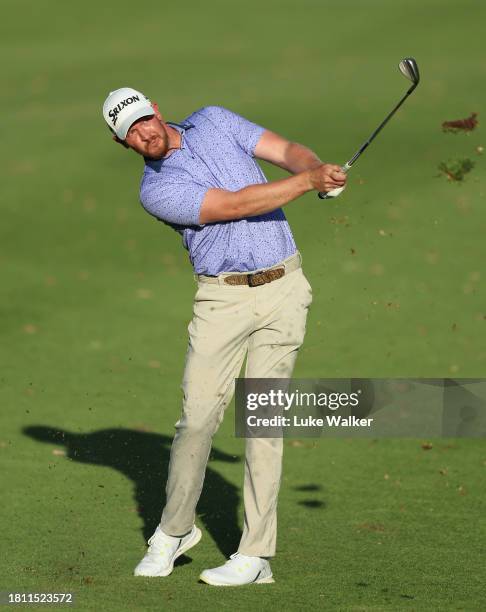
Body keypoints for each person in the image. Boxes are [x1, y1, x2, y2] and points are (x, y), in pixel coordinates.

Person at [102, 87, 347, 586]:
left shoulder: (214, 121)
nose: (143, 133)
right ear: (122, 142)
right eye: (130, 131)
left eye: (144, 120)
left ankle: (255, 556)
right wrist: (306, 183)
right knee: (196, 419)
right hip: (222, 301)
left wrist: (319, 171)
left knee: (262, 422)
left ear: (157, 112)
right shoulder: (156, 191)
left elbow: (285, 151)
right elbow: (234, 206)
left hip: (284, 289)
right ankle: (175, 531)